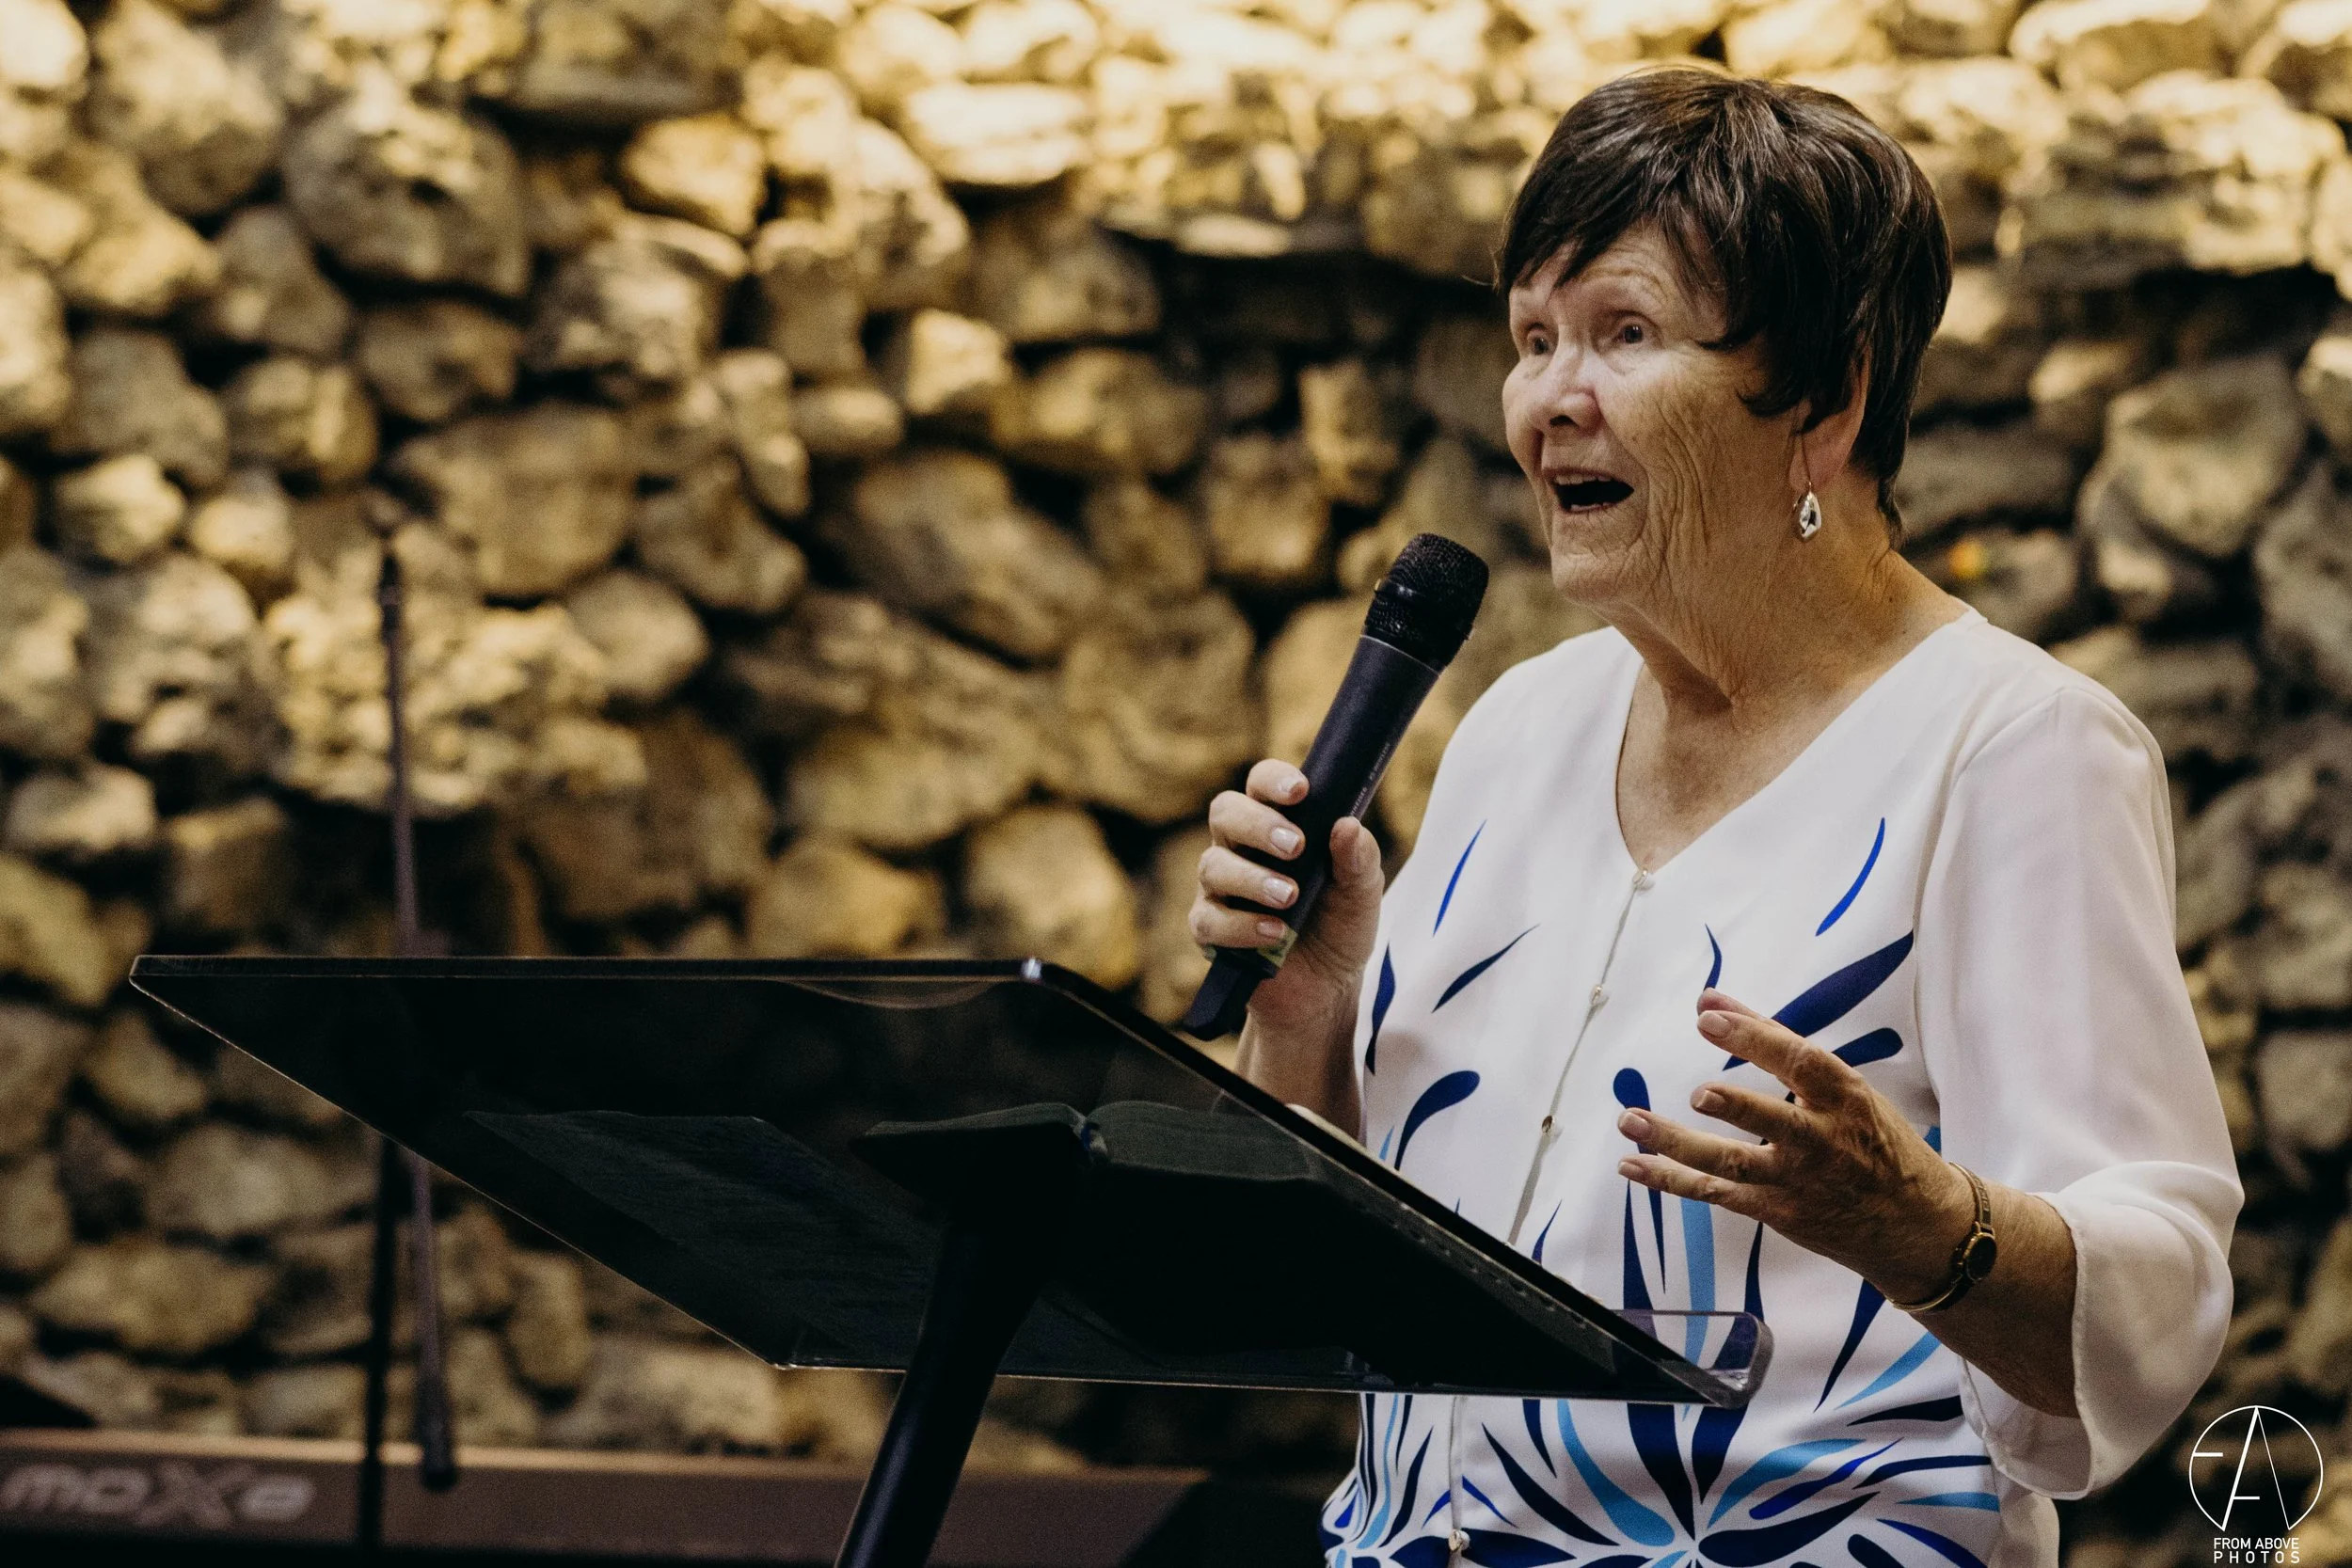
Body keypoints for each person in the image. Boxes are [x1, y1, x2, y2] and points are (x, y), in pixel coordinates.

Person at [1191, 67, 2239, 1568]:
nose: (1553, 396)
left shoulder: (2013, 750)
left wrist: (1925, 1223)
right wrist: (1309, 1017)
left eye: (1623, 332)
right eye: (1533, 338)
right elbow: (1363, 1268)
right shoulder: (1517, 730)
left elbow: (2157, 1294)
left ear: (1827, 396)